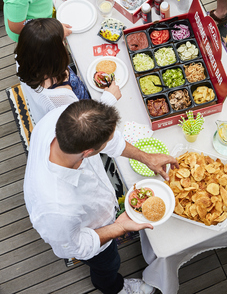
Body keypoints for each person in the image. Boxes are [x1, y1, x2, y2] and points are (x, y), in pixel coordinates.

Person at [24, 99, 179, 294]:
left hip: (98, 205)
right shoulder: (56, 209)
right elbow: (74, 247)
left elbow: (111, 141)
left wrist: (146, 157)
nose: (111, 143)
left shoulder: (66, 116)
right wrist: (119, 227)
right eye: (105, 143)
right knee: (108, 265)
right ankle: (114, 288)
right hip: (92, 235)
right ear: (87, 152)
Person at [15, 18, 121, 122]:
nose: (64, 42)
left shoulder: (24, 55)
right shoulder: (59, 97)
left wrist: (55, 30)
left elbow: (31, 24)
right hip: (80, 112)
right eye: (61, 42)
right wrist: (108, 99)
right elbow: (82, 123)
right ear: (55, 55)